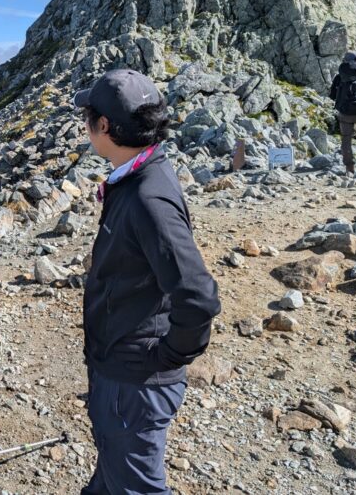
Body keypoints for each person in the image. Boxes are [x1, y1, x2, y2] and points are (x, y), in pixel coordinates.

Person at [73, 69, 221, 495]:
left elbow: (198, 295)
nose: (84, 124)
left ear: (103, 126)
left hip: (134, 381)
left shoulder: (147, 197)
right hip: (122, 372)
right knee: (114, 477)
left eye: (88, 116)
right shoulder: (141, 173)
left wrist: (167, 355)